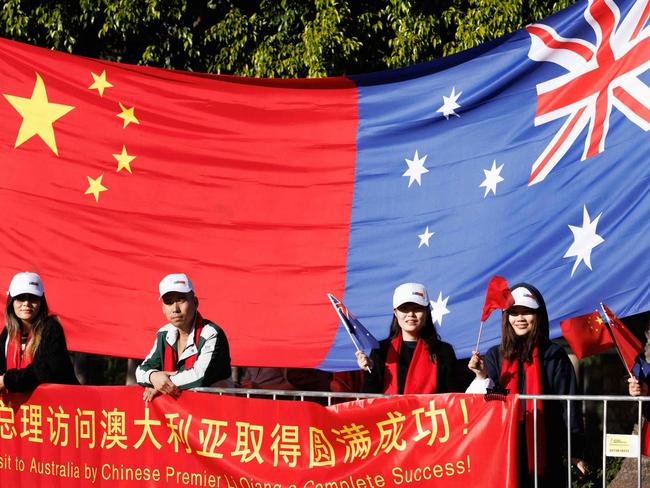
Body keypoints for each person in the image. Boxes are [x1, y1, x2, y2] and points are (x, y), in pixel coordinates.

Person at [467, 283, 586, 487]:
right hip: (502, 449)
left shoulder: (554, 355)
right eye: (514, 312)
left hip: (546, 449)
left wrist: (575, 452)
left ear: (538, 315)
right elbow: (485, 405)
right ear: (506, 317)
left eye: (527, 312)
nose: (520, 318)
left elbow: (569, 406)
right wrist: (481, 375)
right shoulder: (495, 355)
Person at [136, 273, 231, 401]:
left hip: (217, 415)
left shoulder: (212, 333)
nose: (175, 309)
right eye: (168, 302)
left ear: (195, 302)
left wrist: (161, 384)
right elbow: (141, 371)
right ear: (163, 309)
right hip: (181, 418)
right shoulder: (164, 333)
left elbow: (199, 376)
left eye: (181, 300)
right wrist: (153, 377)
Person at [355, 282, 457, 394]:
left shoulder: (444, 351)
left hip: (430, 411)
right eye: (404, 308)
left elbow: (453, 398)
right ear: (395, 312)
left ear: (426, 312)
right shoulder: (381, 350)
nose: (411, 314)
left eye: (417, 308)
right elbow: (369, 398)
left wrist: (480, 375)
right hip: (391, 412)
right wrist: (369, 371)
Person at [0, 272, 78, 392]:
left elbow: (43, 371)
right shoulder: (8, 333)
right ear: (12, 301)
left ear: (41, 302)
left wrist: (7, 381)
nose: (26, 303)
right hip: (22, 408)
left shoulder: (51, 329)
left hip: (59, 407)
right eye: (20, 298)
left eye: (33, 298)